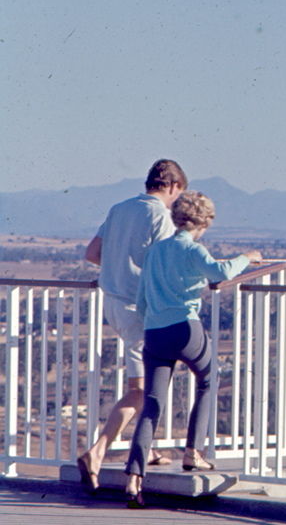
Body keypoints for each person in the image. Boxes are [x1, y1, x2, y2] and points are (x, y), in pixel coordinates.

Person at [123, 191, 261, 509]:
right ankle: (193, 452)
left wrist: (158, 320)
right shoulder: (191, 248)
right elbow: (222, 272)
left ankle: (134, 478)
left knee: (151, 406)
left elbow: (142, 301)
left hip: (155, 333)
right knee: (209, 380)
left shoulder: (156, 251)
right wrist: (248, 257)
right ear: (204, 222)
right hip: (186, 328)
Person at [77, 159, 187, 494]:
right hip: (141, 308)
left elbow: (92, 252)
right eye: (177, 195)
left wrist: (119, 265)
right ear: (172, 186)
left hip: (113, 302)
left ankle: (146, 448)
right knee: (142, 388)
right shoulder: (161, 215)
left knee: (145, 381)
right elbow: (168, 262)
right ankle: (98, 452)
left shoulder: (119, 208)